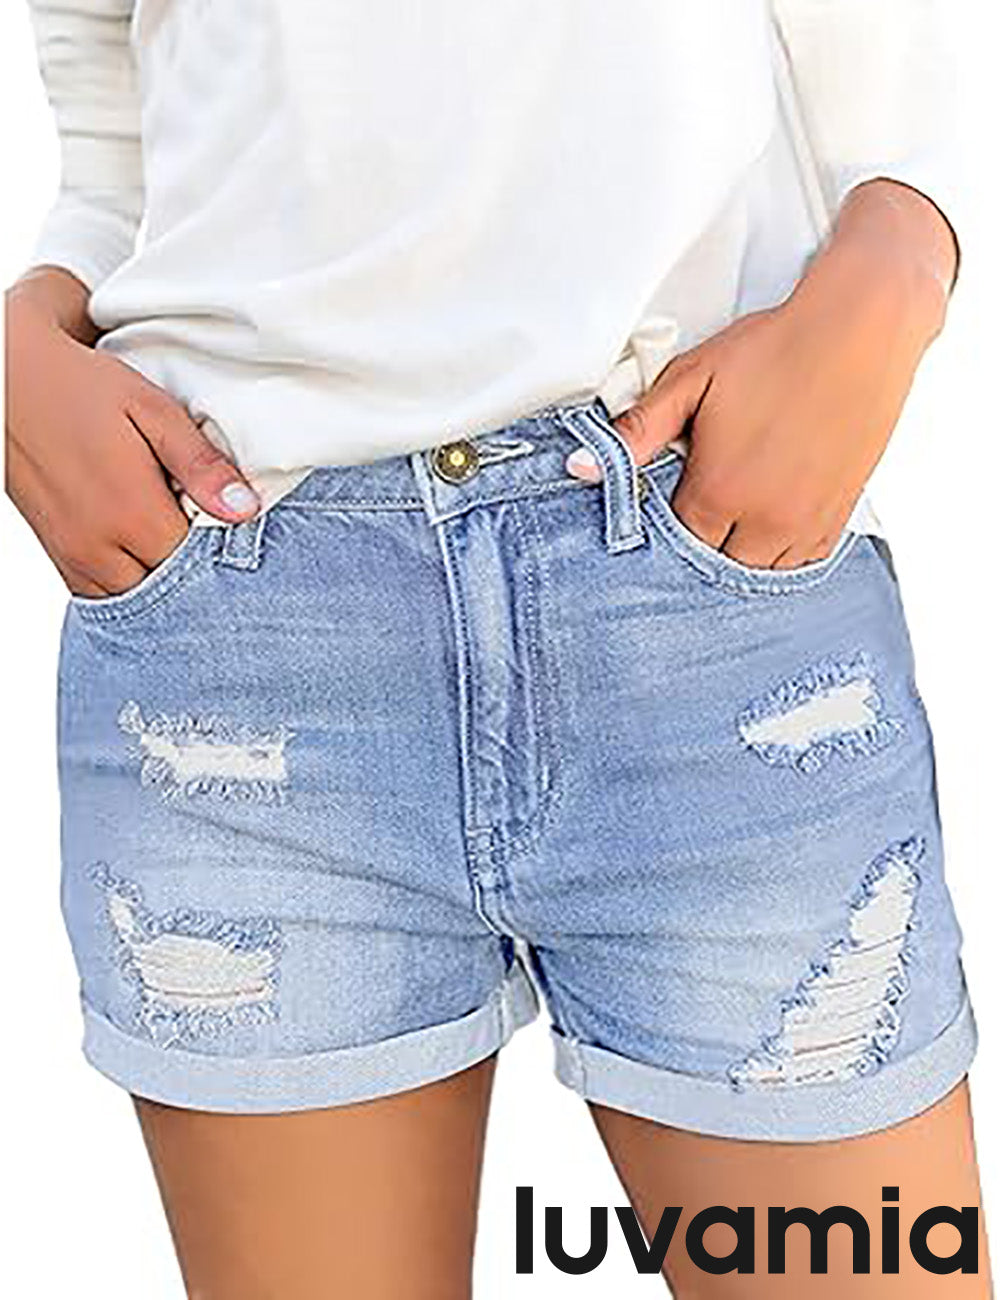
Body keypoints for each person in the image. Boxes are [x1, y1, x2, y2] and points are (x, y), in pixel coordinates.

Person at [4, 1, 991, 1295]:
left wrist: (906, 249)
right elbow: (118, 134)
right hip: (243, 638)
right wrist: (30, 334)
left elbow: (914, 64)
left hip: (701, 599)